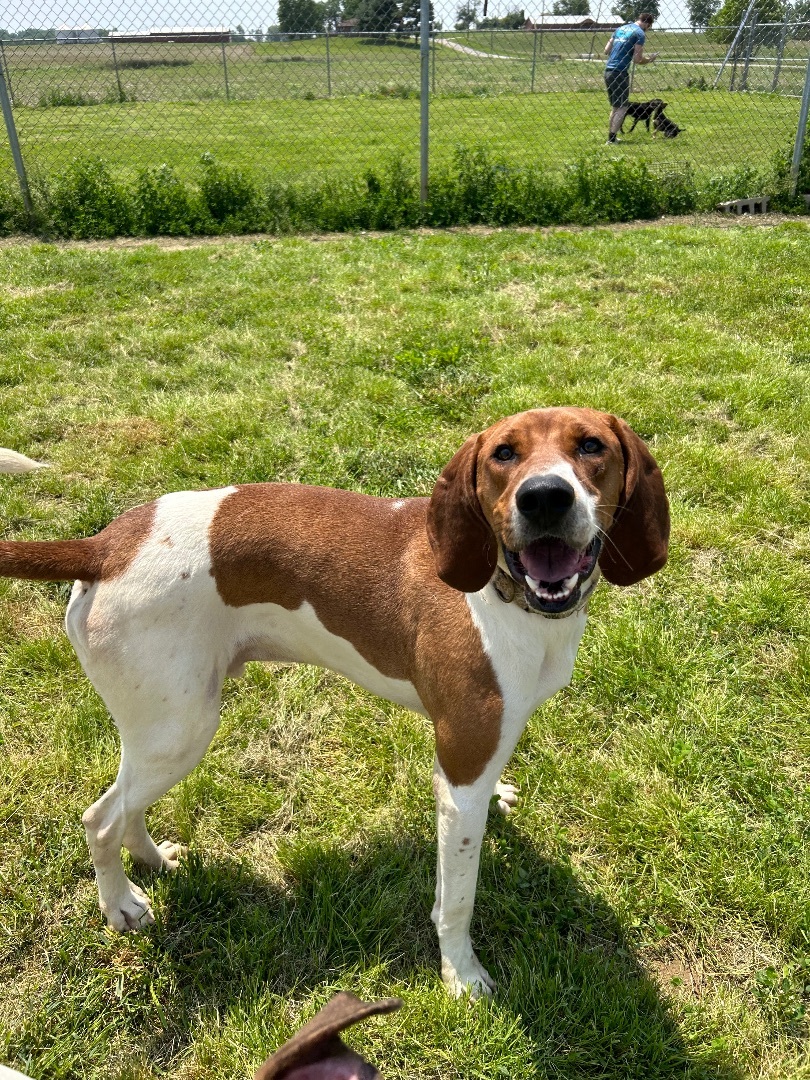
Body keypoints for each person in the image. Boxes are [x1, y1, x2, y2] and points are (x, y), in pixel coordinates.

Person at [603, 13, 658, 144]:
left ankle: (611, 137)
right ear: (647, 24)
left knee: (615, 107)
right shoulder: (639, 34)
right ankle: (611, 139)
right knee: (622, 107)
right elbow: (637, 59)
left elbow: (606, 50)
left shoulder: (620, 29)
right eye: (649, 27)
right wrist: (650, 60)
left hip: (608, 71)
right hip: (620, 72)